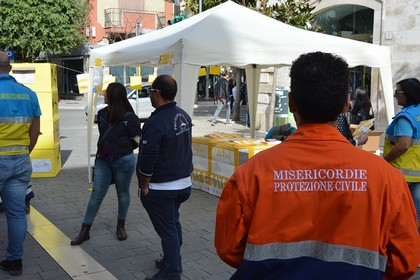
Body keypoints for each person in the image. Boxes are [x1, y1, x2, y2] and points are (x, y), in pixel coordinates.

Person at [215, 52, 420, 280]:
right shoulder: (387, 178)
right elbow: (404, 262)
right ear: (345, 106)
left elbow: (228, 249)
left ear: (292, 103)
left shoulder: (251, 173)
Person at [137, 75, 193, 280]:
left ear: (157, 93)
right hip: (182, 184)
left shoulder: (156, 122)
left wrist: (144, 185)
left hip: (162, 188)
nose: (150, 95)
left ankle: (172, 272)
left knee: (168, 230)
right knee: (172, 224)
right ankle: (171, 261)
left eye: (151, 91)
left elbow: (148, 158)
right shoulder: (183, 115)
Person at [71, 82, 141, 246]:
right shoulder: (102, 114)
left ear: (112, 95)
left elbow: (138, 139)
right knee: (96, 194)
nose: (104, 95)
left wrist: (124, 150)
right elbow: (104, 134)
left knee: (122, 193)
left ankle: (121, 225)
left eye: (106, 93)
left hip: (123, 160)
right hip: (103, 160)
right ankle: (85, 230)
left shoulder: (130, 117)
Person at [0, 51, 41, 276]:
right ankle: (14, 261)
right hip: (21, 161)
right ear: (11, 68)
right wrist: (25, 153)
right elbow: (34, 132)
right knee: (16, 214)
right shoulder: (29, 94)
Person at [384, 78, 420, 230]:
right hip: (417, 172)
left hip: (403, 175)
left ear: (408, 94)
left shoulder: (405, 117)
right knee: (417, 214)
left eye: (397, 92)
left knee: (404, 218)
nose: (394, 96)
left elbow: (404, 144)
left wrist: (383, 161)